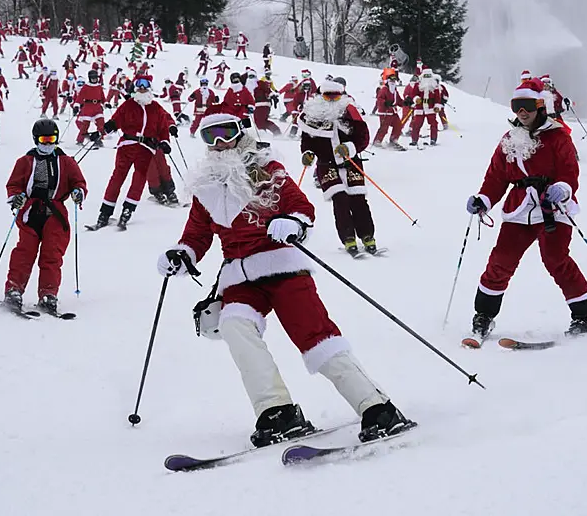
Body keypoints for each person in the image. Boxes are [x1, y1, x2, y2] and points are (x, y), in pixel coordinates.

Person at [157, 105, 413, 446]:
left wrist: (292, 221)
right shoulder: (206, 187)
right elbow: (197, 234)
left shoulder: (266, 168)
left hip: (282, 265)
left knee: (315, 337)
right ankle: (276, 411)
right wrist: (183, 253)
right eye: (210, 136)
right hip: (239, 277)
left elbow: (301, 206)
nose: (220, 143)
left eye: (227, 133)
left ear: (241, 131)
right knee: (234, 325)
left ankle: (376, 406)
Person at [463, 78, 587, 347]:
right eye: (516, 105)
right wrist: (484, 199)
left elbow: (569, 172)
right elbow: (496, 177)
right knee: (500, 261)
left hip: (551, 208)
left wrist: (563, 188)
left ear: (541, 106)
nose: (521, 111)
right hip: (519, 210)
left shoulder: (558, 137)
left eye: (527, 105)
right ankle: (483, 315)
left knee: (555, 259)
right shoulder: (509, 140)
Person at [4, 119, 87, 315]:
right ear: (36, 139)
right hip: (31, 212)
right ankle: (14, 289)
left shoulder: (67, 161)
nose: (48, 144)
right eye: (44, 140)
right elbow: (14, 184)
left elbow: (79, 182)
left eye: (52, 140)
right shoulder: (25, 161)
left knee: (52, 254)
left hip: (55, 214)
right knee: (24, 252)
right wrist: (17, 197)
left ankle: (48, 293)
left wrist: (78, 192)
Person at [299, 79, 377, 255]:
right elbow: (307, 141)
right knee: (340, 199)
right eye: (328, 96)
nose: (332, 100)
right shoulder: (312, 115)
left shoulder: (350, 111)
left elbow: (363, 137)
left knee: (358, 200)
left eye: (336, 96)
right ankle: (348, 238)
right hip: (327, 164)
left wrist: (350, 148)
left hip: (351, 162)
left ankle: (367, 235)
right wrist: (307, 154)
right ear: (320, 96)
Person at [88, 75, 176, 228]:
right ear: (135, 87)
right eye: (139, 84)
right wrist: (103, 131)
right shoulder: (128, 105)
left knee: (139, 180)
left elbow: (162, 128)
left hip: (146, 148)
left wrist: (165, 142)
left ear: (149, 87)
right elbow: (115, 121)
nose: (142, 87)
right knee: (117, 177)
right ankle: (105, 213)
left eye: (145, 84)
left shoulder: (156, 108)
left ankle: (128, 210)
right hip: (127, 145)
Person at [372, 68, 404, 149]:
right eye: (391, 80)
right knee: (384, 128)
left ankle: (393, 139)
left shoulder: (395, 90)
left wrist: (405, 103)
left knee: (398, 125)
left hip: (393, 112)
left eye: (394, 80)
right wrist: (385, 103)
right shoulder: (384, 89)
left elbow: (398, 100)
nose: (393, 82)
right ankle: (377, 141)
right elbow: (379, 99)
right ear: (388, 81)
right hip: (385, 112)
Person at [73, 69, 106, 146]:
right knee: (85, 126)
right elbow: (80, 97)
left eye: (95, 78)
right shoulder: (86, 87)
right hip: (88, 107)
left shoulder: (99, 87)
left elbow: (103, 97)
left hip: (97, 107)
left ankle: (98, 140)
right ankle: (80, 141)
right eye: (93, 78)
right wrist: (76, 105)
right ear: (89, 78)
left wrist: (105, 103)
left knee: (101, 124)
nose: (94, 79)